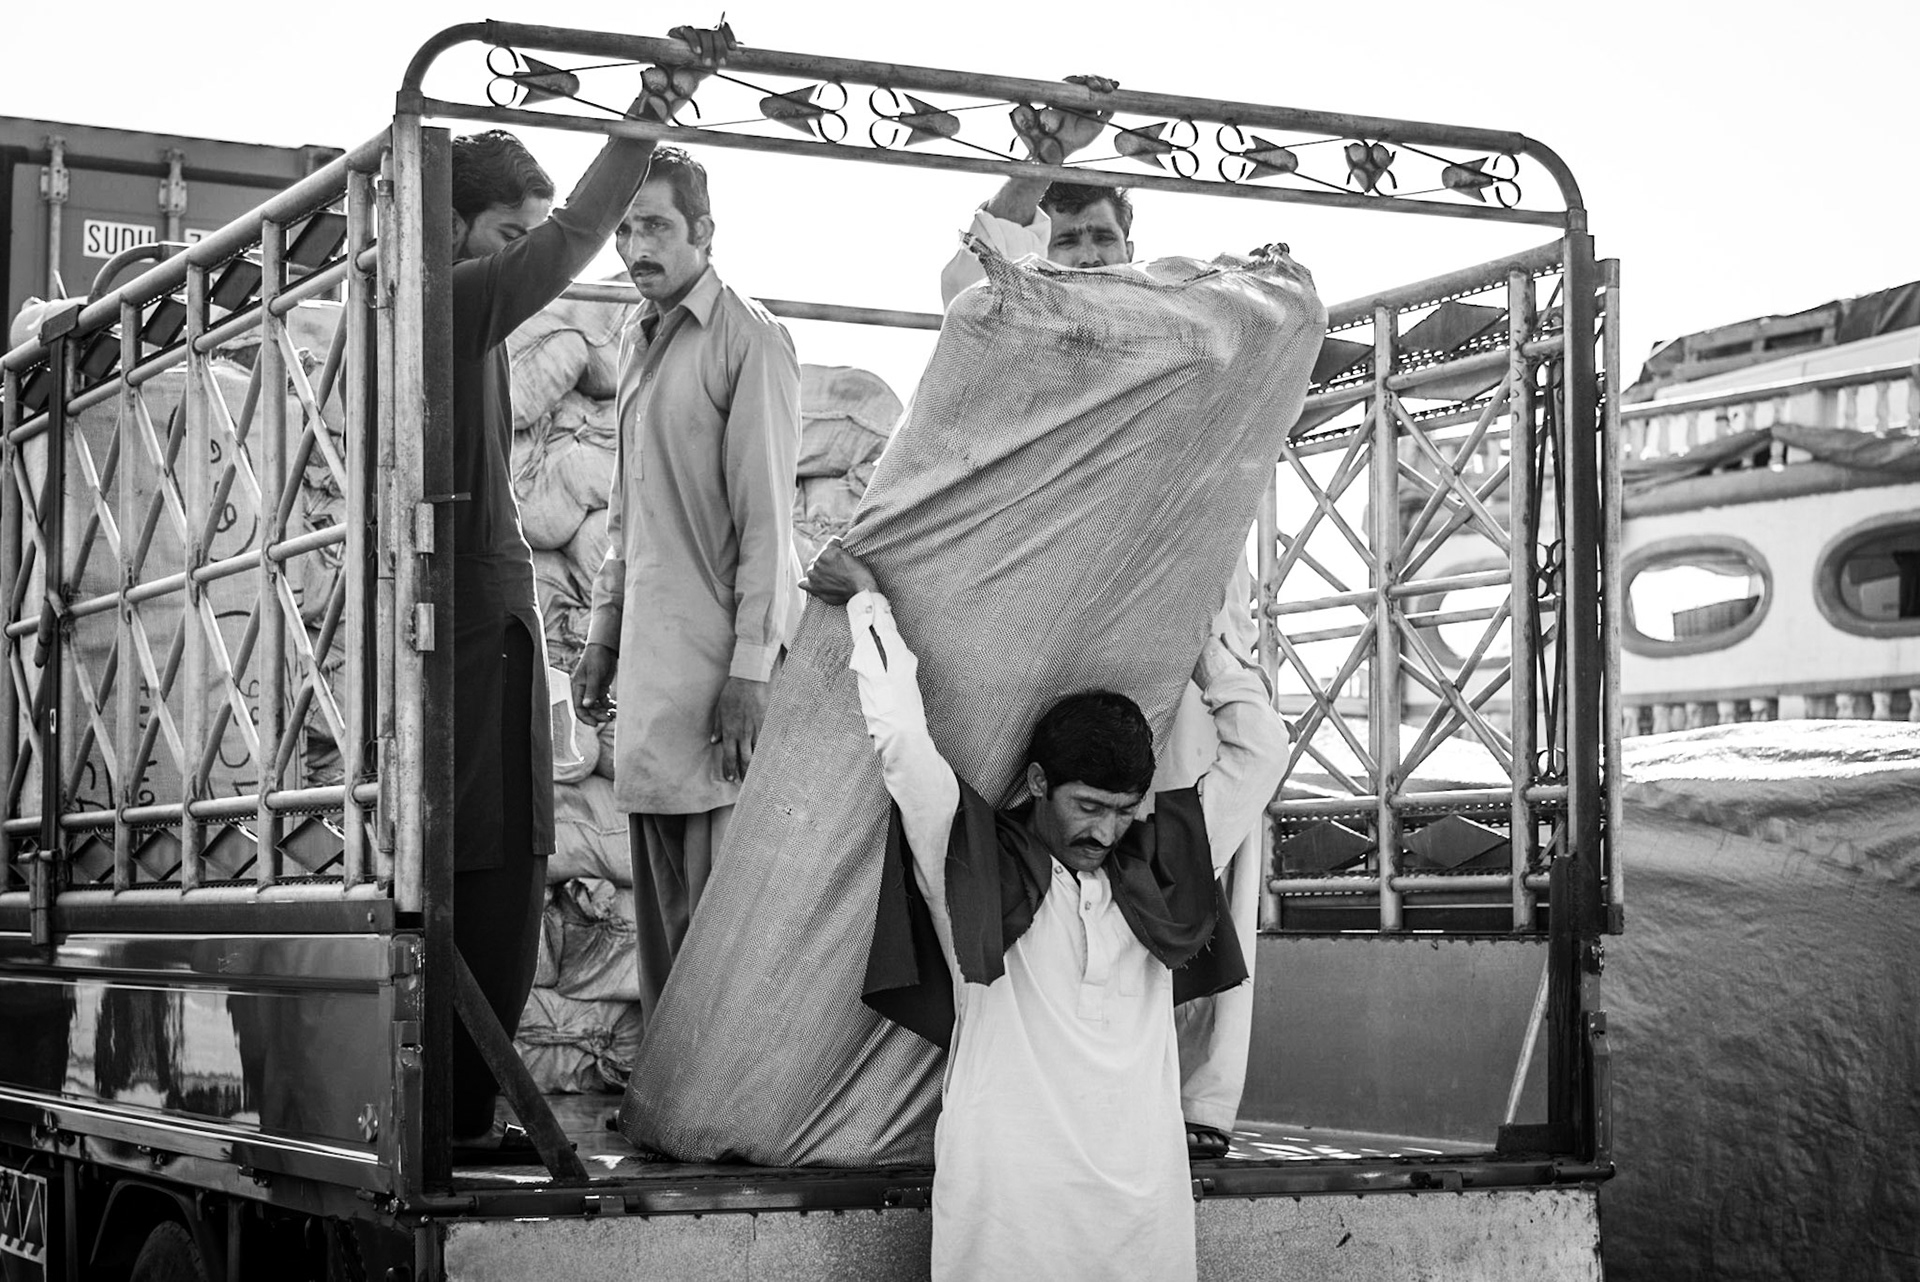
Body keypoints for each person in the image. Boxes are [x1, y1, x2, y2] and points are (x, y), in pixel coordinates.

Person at [802, 541, 1287, 1282]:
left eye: (1122, 811)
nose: (1105, 831)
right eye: (1087, 806)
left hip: (1143, 1220)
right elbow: (903, 743)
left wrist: (1203, 654)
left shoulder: (1160, 870)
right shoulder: (972, 863)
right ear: (1036, 783)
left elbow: (1263, 753)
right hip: (1006, 1219)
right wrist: (867, 603)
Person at [937, 73, 1267, 1161]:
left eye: (1099, 237)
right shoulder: (1026, 334)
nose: (1084, 255)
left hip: (1184, 641)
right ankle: (1092, 1094)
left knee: (1204, 861)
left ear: (1131, 242)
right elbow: (969, 274)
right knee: (1079, 873)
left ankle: (1200, 1109)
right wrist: (1039, 159)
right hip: (1066, 652)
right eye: (1065, 237)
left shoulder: (1178, 330)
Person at [442, 21, 733, 1157]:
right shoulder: (452, 295)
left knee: (505, 865)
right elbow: (570, 240)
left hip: (481, 621)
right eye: (503, 235)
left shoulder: (445, 309)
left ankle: (463, 1109)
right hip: (470, 627)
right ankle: (460, 1117)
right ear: (456, 228)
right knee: (497, 870)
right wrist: (649, 115)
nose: (520, 259)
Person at [571, 146, 802, 1024]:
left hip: (716, 686)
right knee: (664, 928)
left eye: (657, 227)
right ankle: (669, 1087)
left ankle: (718, 1093)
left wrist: (750, 673)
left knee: (721, 938)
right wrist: (602, 637)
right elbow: (626, 513)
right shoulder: (638, 338)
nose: (637, 247)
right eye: (626, 229)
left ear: (704, 231)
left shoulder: (749, 341)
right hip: (651, 682)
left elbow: (767, 525)